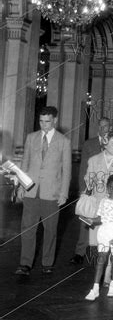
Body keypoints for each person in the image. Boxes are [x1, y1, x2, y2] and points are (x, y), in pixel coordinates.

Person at [14, 106, 71, 276]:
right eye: (41, 121)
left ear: (54, 121)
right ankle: (25, 264)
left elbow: (67, 170)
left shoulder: (64, 142)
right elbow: (25, 164)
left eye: (47, 121)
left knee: (51, 230)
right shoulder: (31, 138)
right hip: (31, 191)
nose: (43, 125)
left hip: (51, 194)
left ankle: (47, 263)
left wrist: (63, 193)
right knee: (27, 229)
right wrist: (21, 187)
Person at [84, 133, 113, 286]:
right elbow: (88, 182)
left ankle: (108, 275)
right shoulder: (93, 160)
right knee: (98, 244)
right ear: (104, 144)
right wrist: (89, 183)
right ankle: (100, 270)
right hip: (98, 207)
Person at [70, 117, 112, 265]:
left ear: (110, 127)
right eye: (100, 126)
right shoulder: (89, 144)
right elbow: (83, 167)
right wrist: (83, 189)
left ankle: (100, 252)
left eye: (105, 126)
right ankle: (79, 252)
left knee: (104, 220)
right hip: (91, 188)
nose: (102, 129)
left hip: (107, 189)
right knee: (85, 219)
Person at [83, 174, 113, 300]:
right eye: (110, 187)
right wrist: (91, 220)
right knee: (101, 259)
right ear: (107, 188)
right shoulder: (104, 201)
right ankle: (95, 288)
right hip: (104, 233)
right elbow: (100, 218)